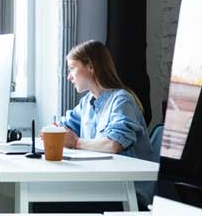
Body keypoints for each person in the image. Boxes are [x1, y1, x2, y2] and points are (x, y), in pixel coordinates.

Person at [53, 40, 155, 204]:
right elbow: (64, 127)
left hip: (127, 194)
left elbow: (113, 145)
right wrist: (56, 133)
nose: (69, 76)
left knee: (49, 204)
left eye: (72, 68)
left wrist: (76, 142)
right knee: (50, 195)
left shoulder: (122, 101)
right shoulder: (87, 102)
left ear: (91, 67)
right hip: (102, 186)